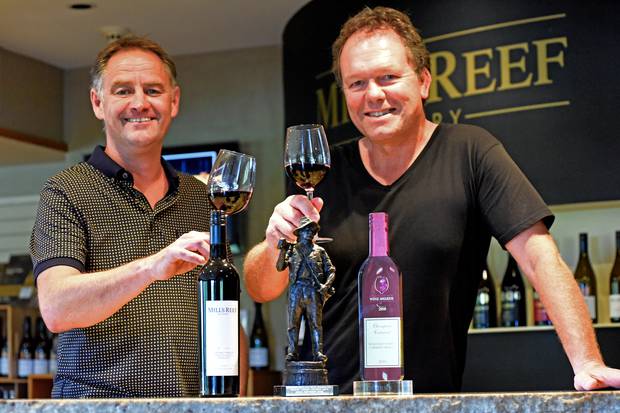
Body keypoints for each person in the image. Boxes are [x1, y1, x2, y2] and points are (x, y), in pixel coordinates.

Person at [244, 6, 620, 393]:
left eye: (388, 77)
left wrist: (587, 361)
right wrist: (275, 242)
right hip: (327, 400)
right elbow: (263, 288)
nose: (373, 95)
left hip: (429, 400)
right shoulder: (324, 172)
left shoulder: (470, 152)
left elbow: (540, 258)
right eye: (356, 83)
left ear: (423, 81)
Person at [30, 36, 247, 398]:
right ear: (98, 103)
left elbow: (223, 310)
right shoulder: (65, 192)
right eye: (123, 91)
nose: (140, 103)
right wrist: (151, 268)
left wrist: (235, 403)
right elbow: (57, 307)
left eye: (152, 90)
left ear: (173, 101)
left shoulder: (202, 199)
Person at [276, 217, 335, 363]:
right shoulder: (292, 250)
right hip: (296, 289)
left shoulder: (320, 251)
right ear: (299, 233)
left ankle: (318, 352)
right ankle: (292, 352)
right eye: (306, 229)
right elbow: (279, 267)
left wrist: (325, 286)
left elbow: (331, 270)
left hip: (313, 290)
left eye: (312, 230)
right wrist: (282, 251)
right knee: (293, 323)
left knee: (316, 323)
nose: (309, 232)